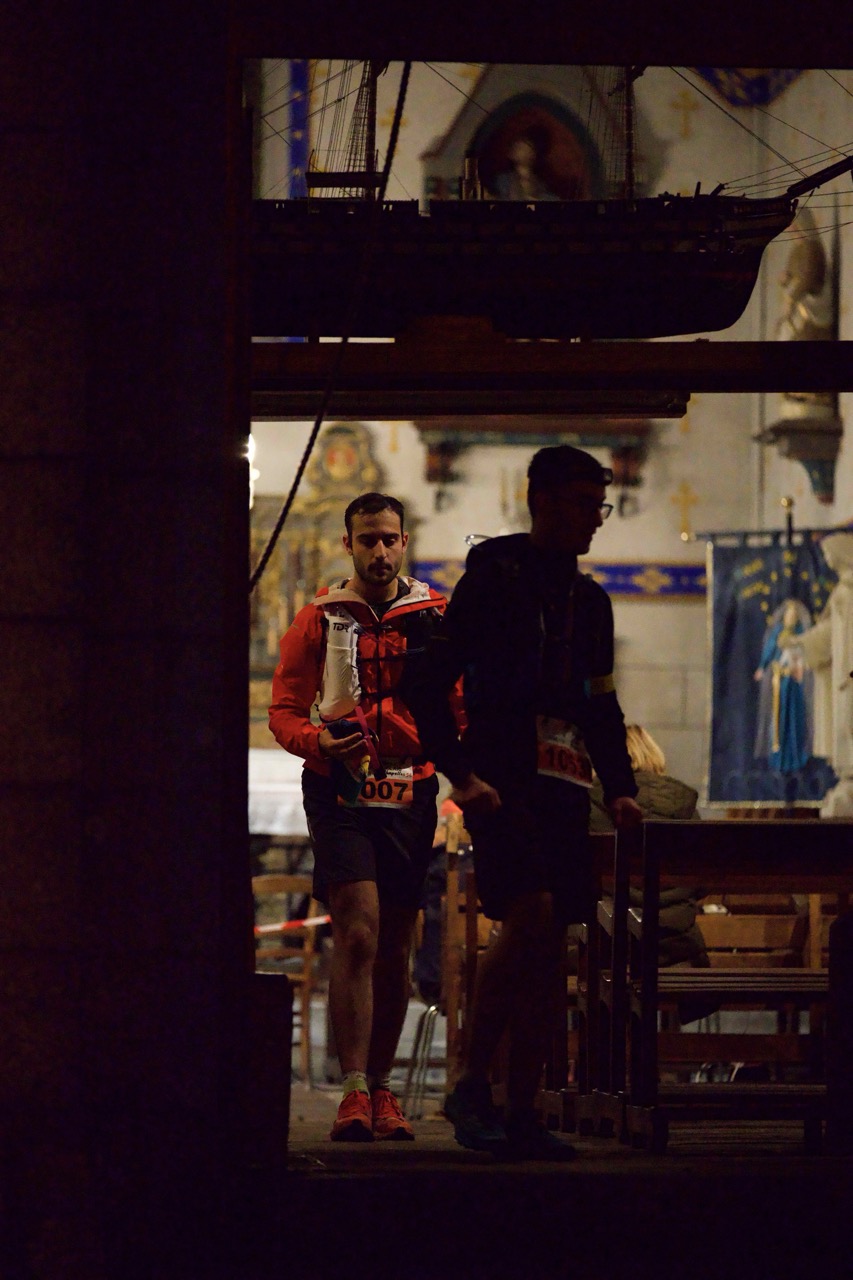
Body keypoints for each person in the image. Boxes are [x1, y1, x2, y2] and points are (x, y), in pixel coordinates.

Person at [401, 444, 643, 1160]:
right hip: (502, 777)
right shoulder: (495, 578)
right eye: (581, 504)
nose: (593, 520)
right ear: (541, 501)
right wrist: (460, 774)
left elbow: (601, 704)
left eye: (600, 507)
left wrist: (621, 788)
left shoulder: (590, 602)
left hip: (565, 782)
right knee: (530, 910)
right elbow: (428, 682)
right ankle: (472, 1082)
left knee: (552, 939)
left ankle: (525, 1108)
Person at [268, 492, 450, 1142]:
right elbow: (285, 709)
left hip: (409, 789)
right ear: (348, 544)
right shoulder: (317, 618)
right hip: (340, 788)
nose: (379, 550)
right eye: (367, 539)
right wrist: (317, 741)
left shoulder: (434, 615)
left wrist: (458, 764)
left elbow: (461, 704)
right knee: (359, 932)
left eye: (389, 539)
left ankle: (382, 1086)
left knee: (396, 942)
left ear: (404, 542)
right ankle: (351, 1089)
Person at [590, 724, 709, 976]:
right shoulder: (684, 807)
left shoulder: (588, 805)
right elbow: (701, 884)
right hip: (675, 953)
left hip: (603, 952)